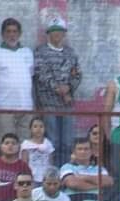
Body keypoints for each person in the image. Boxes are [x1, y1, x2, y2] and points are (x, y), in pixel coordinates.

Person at [33, 17, 81, 166]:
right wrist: (59, 89)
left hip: (67, 106)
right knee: (52, 141)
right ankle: (52, 172)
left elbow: (77, 74)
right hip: (49, 104)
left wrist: (69, 87)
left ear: (64, 33)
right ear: (48, 33)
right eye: (53, 31)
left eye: (60, 31)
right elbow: (42, 74)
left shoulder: (70, 53)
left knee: (67, 142)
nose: (57, 34)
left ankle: (65, 171)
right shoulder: (40, 52)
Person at [0, 18, 34, 149]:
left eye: (15, 31)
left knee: (25, 147)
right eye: (8, 31)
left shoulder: (27, 52)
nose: (11, 35)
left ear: (20, 34)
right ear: (2, 34)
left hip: (25, 107)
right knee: (5, 146)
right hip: (4, 107)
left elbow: (30, 77)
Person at [60, 137, 113, 201]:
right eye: (80, 149)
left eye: (86, 149)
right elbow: (73, 184)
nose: (83, 152)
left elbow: (108, 181)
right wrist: (97, 185)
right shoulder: (67, 167)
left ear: (91, 151)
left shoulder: (99, 168)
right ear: (74, 152)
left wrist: (84, 177)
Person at [0, 133, 32, 201]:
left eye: (13, 143)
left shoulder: (23, 166)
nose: (10, 145)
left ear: (19, 147)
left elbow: (28, 187)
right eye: (6, 143)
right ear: (1, 146)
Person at [21, 117, 55, 185]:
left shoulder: (48, 143)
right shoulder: (26, 144)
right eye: (35, 126)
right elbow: (24, 163)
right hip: (32, 178)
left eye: (41, 126)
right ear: (30, 129)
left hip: (45, 178)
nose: (38, 129)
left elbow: (51, 162)